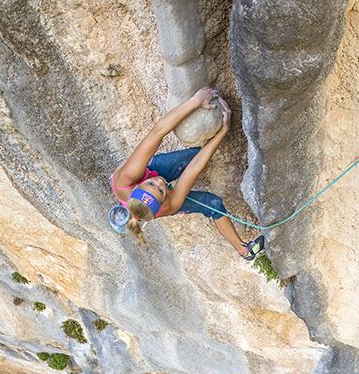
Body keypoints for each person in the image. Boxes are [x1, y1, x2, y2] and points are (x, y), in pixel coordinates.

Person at [109, 87, 264, 259]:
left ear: (139, 184)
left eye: (152, 183)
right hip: (152, 197)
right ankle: (244, 250)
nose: (161, 182)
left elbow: (158, 131)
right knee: (213, 203)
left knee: (191, 155)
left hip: (144, 173)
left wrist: (196, 100)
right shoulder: (169, 205)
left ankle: (150, 187)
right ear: (161, 203)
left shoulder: (128, 176)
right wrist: (222, 131)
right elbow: (195, 167)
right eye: (161, 190)